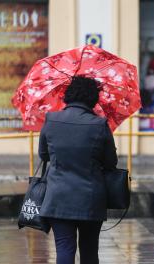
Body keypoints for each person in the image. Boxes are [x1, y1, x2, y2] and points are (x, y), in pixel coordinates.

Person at [38, 76, 118, 264]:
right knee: (90, 251)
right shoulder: (99, 124)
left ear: (69, 94)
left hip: (58, 197)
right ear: (93, 98)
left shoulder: (51, 119)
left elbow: (44, 155)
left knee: (64, 249)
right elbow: (111, 163)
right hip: (90, 198)